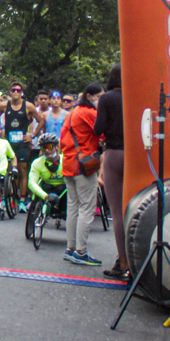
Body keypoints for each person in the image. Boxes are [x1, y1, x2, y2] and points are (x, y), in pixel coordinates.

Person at [92, 65, 129, 280]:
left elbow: (98, 128)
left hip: (115, 153)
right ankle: (137, 260)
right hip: (137, 155)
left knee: (117, 212)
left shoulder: (106, 99)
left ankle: (123, 262)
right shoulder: (137, 96)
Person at [61, 83, 103, 267]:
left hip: (69, 163)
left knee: (73, 207)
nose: (101, 100)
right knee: (87, 208)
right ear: (90, 96)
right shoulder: (89, 113)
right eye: (99, 97)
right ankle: (81, 251)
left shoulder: (73, 113)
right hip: (83, 165)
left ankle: (70, 248)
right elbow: (104, 133)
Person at [0, 83, 40, 175]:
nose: (15, 92)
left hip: (22, 143)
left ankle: (22, 190)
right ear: (10, 92)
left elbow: (41, 121)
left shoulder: (28, 106)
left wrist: (33, 135)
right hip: (8, 142)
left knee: (23, 170)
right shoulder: (4, 105)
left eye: (18, 90)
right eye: (13, 90)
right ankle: (9, 189)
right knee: (9, 169)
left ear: (21, 92)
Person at [26, 133, 67, 212]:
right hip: (47, 190)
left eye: (50, 147)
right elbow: (31, 183)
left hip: (64, 190)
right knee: (44, 187)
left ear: (56, 147)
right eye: (44, 148)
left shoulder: (65, 161)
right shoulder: (37, 163)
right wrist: (46, 196)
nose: (47, 150)